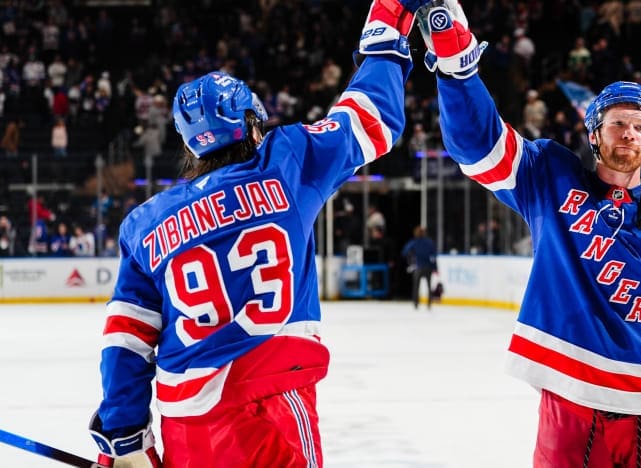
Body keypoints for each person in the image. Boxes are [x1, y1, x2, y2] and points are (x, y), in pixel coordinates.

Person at [87, 1, 428, 466]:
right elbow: (372, 118)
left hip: (186, 426)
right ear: (251, 123)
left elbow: (127, 336)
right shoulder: (286, 161)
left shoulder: (146, 221)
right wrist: (388, 24)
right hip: (270, 406)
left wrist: (124, 437)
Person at [416, 2, 641, 466]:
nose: (629, 134)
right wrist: (457, 67)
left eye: (640, 127)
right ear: (595, 133)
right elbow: (478, 143)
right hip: (570, 404)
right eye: (617, 123)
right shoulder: (549, 177)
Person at [401, 225, 437, 309]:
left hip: (418, 267)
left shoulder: (414, 242)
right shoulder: (429, 242)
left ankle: (416, 303)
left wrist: (411, 258)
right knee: (428, 286)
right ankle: (429, 303)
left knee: (416, 286)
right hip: (428, 267)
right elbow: (434, 255)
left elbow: (404, 252)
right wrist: (435, 267)